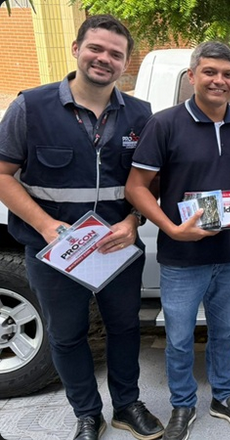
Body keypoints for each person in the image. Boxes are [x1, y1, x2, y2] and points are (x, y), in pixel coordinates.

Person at [0, 15, 163, 440]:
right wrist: (45, 225)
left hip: (118, 248)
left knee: (125, 328)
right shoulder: (30, 107)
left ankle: (126, 405)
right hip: (54, 250)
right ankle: (88, 413)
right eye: (96, 48)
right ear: (76, 49)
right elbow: (2, 174)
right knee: (67, 334)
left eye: (115, 54)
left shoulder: (141, 115)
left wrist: (134, 220)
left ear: (125, 62)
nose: (104, 59)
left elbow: (151, 183)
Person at [124, 42, 230, 440]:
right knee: (180, 339)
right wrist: (171, 229)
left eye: (227, 74)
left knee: (225, 333)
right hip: (181, 258)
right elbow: (136, 187)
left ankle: (223, 396)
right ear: (192, 76)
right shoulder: (165, 124)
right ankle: (183, 405)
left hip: (228, 255)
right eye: (210, 72)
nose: (219, 81)